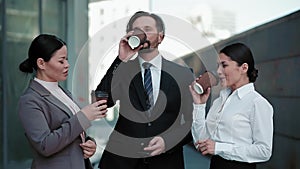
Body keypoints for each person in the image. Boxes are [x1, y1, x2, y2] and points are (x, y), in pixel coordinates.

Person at [96, 11, 194, 169]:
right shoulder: (122, 69)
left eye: (147, 29)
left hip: (165, 162)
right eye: (136, 30)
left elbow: (192, 121)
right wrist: (120, 59)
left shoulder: (183, 75)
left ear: (160, 37)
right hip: (121, 161)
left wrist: (168, 141)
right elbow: (102, 101)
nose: (142, 34)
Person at [18, 34, 108, 169]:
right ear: (41, 63)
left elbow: (72, 133)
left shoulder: (63, 93)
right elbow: (45, 145)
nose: (67, 65)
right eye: (61, 61)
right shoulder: (29, 100)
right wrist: (83, 117)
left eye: (67, 59)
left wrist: (89, 143)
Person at [189, 43, 274, 169]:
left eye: (224, 65)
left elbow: (264, 151)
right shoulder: (218, 102)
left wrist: (220, 148)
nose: (218, 71)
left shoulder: (257, 103)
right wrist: (199, 105)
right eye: (218, 66)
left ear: (244, 68)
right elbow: (201, 142)